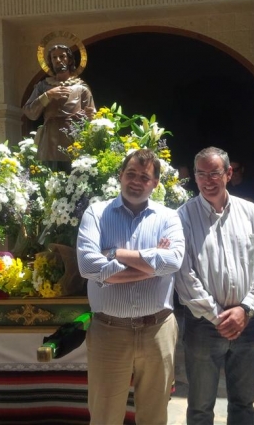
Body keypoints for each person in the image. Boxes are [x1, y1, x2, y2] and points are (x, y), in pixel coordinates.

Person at [76, 148, 185, 425]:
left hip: (158, 330)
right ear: (120, 175)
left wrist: (113, 255)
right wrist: (151, 266)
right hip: (109, 331)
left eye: (145, 177)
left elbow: (172, 262)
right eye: (131, 174)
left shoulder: (168, 217)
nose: (136, 181)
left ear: (156, 183)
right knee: (104, 416)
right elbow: (88, 267)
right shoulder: (96, 214)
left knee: (154, 415)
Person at [175, 147, 254, 425]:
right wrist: (218, 316)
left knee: (244, 404)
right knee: (200, 407)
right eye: (201, 174)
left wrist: (245, 309)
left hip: (247, 323)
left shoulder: (250, 212)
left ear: (229, 173)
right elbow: (184, 276)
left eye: (215, 173)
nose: (208, 181)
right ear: (194, 177)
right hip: (203, 327)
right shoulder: (182, 217)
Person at [23, 44, 95, 168]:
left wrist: (90, 115)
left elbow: (93, 118)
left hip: (74, 140)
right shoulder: (43, 86)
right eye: (54, 57)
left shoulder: (81, 88)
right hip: (50, 142)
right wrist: (47, 95)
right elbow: (30, 112)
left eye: (62, 56)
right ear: (50, 61)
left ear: (70, 60)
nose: (58, 60)